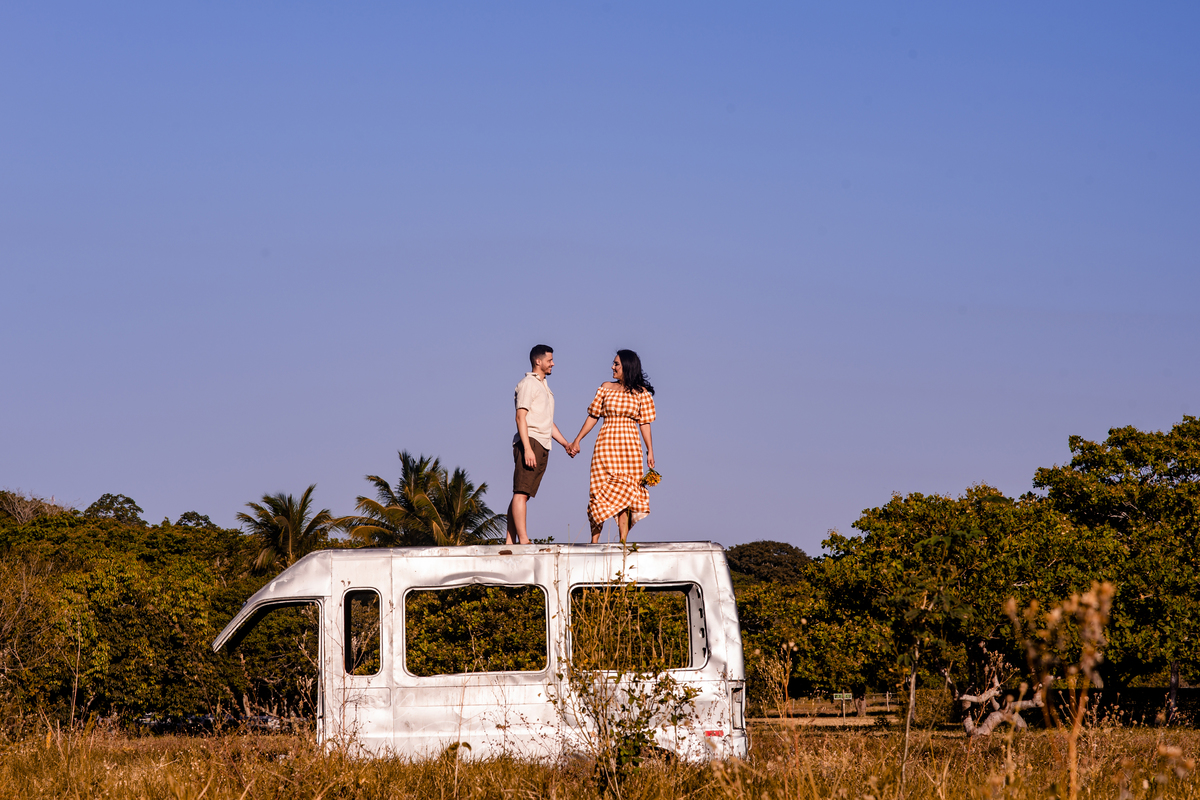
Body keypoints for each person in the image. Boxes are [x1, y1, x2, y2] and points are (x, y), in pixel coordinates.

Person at [569, 349, 656, 544]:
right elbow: (593, 415)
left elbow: (645, 423)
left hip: (630, 447)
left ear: (627, 366)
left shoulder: (641, 393)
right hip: (606, 443)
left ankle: (622, 542)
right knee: (598, 489)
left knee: (626, 493)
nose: (612, 367)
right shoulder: (606, 387)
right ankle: (594, 541)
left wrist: (650, 449)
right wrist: (578, 439)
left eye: (616, 364)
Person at [506, 344, 574, 545]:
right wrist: (527, 448)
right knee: (521, 492)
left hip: (541, 444)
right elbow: (520, 417)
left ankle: (510, 539)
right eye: (549, 360)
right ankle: (523, 539)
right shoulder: (529, 383)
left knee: (522, 493)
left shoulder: (544, 387)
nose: (553, 363)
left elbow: (547, 422)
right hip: (531, 441)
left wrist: (565, 444)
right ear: (538, 361)